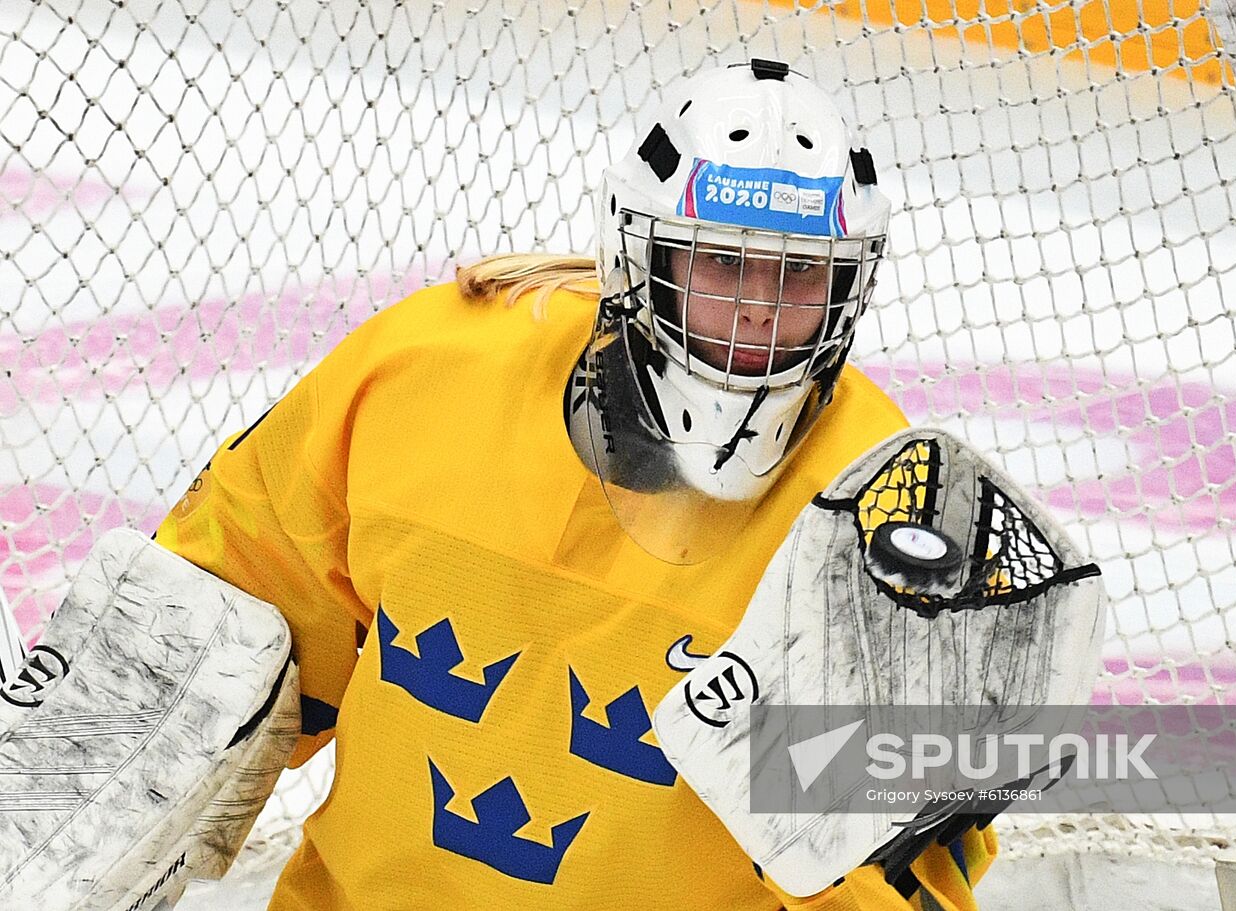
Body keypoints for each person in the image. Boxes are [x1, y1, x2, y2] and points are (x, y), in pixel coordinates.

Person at [154, 59, 996, 910]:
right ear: (643, 251)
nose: (758, 309)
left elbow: (895, 872)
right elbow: (218, 632)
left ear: (850, 282)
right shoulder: (422, 374)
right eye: (723, 262)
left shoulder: (887, 506)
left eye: (799, 274)